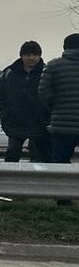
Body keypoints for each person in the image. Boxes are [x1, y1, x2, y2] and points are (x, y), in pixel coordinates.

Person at [0, 41, 49, 163]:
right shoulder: (8, 73)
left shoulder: (47, 73)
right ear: (21, 56)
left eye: (35, 55)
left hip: (40, 124)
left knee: (39, 158)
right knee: (12, 154)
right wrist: (4, 118)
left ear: (40, 56)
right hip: (15, 123)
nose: (31, 58)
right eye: (28, 55)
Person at [38, 33, 79, 167]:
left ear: (64, 47)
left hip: (61, 125)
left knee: (60, 165)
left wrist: (57, 109)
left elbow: (43, 94)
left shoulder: (53, 66)